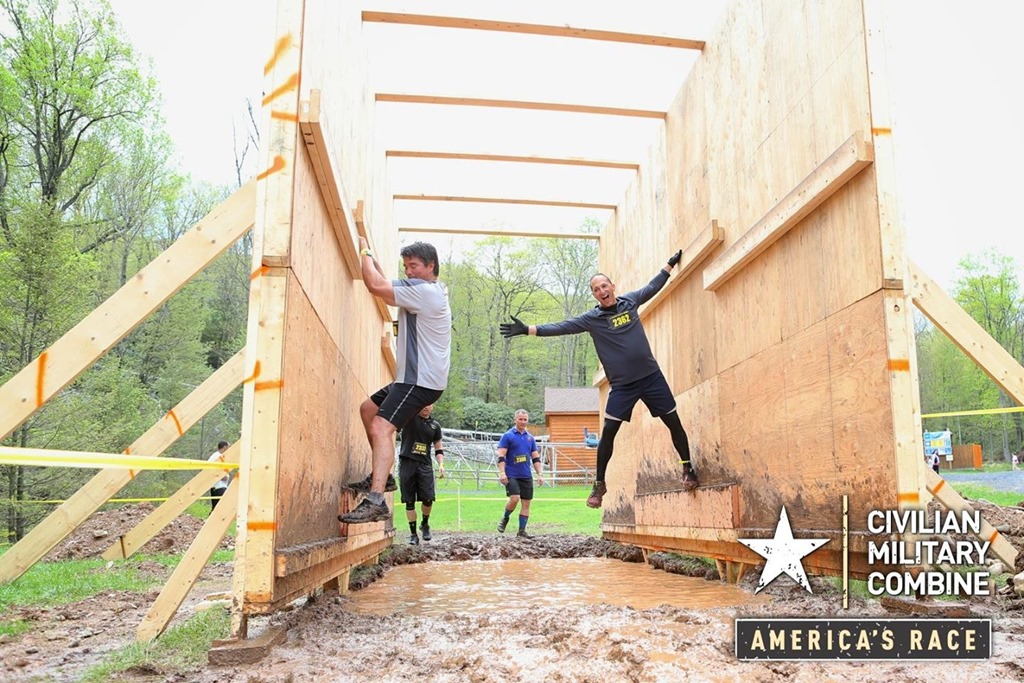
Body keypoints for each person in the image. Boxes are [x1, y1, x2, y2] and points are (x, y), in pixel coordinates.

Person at [500, 249, 696, 509]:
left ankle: (687, 468)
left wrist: (668, 266)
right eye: (596, 289)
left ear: (612, 286)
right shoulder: (592, 319)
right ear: (594, 295)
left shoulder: (630, 302)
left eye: (604, 285)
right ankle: (599, 484)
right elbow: (562, 327)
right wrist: (528, 330)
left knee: (674, 422)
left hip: (651, 378)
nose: (602, 291)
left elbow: (652, 287)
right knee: (608, 434)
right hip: (623, 386)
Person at [339, 239, 452, 524]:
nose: (409, 272)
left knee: (381, 426)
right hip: (413, 377)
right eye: (406, 267)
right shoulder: (424, 290)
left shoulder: (425, 292)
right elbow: (384, 284)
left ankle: (376, 500)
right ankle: (384, 477)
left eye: (414, 266)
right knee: (368, 409)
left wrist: (364, 250)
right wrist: (373, 259)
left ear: (431, 266)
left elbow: (375, 285)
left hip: (421, 379)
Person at [398, 404, 445, 545]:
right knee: (409, 501)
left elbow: (438, 448)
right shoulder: (409, 418)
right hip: (407, 463)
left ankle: (425, 524)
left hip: (425, 465)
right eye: (424, 404)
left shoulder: (435, 426)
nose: (426, 407)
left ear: (433, 406)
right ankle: (413, 534)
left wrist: (441, 464)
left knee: (428, 498)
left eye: (429, 405)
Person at [496, 409, 544, 539]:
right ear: (515, 420)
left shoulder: (530, 438)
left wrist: (540, 474)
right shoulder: (508, 436)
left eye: (525, 419)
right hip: (511, 474)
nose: (523, 422)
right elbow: (501, 456)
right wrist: (502, 473)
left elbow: (535, 458)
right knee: (515, 498)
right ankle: (505, 518)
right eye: (520, 419)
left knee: (526, 503)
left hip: (526, 475)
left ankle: (521, 531)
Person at [207, 441, 230, 512]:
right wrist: (220, 476)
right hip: (218, 486)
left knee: (216, 507)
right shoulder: (216, 456)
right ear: (225, 447)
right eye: (228, 447)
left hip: (221, 485)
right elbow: (208, 468)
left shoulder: (221, 456)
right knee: (220, 507)